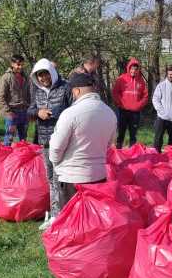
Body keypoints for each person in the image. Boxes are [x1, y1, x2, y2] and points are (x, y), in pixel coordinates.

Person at [48, 73, 117, 210]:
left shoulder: (70, 114)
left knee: (71, 222)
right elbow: (110, 143)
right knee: (92, 221)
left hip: (72, 178)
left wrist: (56, 163)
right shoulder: (110, 113)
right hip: (99, 176)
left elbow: (56, 147)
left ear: (76, 91)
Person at [28, 58, 71, 229]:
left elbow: (72, 109)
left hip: (62, 138)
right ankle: (55, 214)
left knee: (62, 177)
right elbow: (29, 110)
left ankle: (65, 212)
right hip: (45, 140)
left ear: (51, 73)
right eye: (39, 75)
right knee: (51, 177)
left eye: (45, 74)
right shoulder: (37, 91)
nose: (43, 78)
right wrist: (38, 112)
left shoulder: (65, 87)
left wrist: (53, 113)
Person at [111, 58, 149, 148]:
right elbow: (115, 92)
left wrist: (139, 105)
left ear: (138, 70)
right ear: (129, 69)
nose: (134, 71)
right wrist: (120, 103)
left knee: (133, 133)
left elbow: (145, 96)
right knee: (121, 131)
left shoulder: (141, 81)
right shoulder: (122, 79)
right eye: (132, 69)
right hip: (123, 110)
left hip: (135, 112)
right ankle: (118, 149)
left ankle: (132, 151)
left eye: (136, 69)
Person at [0, 55, 31, 146]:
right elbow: (0, 97)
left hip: (24, 112)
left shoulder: (26, 77)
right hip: (12, 112)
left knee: (23, 139)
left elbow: (29, 94)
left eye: (22, 65)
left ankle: (21, 158)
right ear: (12, 64)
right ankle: (5, 157)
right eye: (18, 64)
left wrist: (29, 109)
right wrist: (8, 112)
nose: (20, 67)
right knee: (9, 138)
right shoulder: (5, 77)